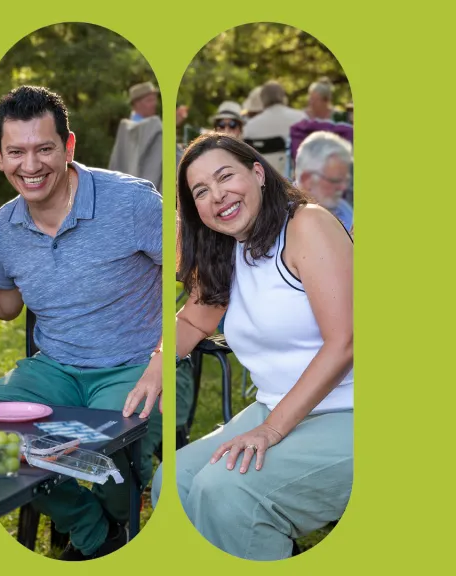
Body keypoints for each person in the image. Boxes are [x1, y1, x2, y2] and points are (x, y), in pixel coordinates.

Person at [0, 85, 163, 561]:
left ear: (69, 146)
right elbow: (6, 304)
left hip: (133, 365)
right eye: (16, 151)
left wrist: (166, 355)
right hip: (54, 367)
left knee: (110, 448)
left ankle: (119, 517)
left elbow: (200, 274)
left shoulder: (130, 202)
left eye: (44, 149)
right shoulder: (9, 221)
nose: (30, 165)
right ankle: (89, 527)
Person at [152, 133, 353, 561]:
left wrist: (270, 429)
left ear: (258, 173)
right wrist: (158, 364)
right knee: (174, 479)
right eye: (201, 191)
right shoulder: (229, 246)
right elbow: (191, 318)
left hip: (349, 411)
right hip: (276, 406)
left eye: (226, 176)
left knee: (226, 489)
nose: (217, 195)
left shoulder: (307, 226)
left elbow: (345, 343)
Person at [242, 80, 307, 176]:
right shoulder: (301, 118)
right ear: (283, 97)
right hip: (294, 177)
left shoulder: (250, 126)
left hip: (264, 178)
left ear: (263, 100)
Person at [294, 131, 353, 231]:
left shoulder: (344, 210)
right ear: (307, 180)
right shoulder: (282, 218)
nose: (343, 187)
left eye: (345, 180)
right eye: (335, 180)